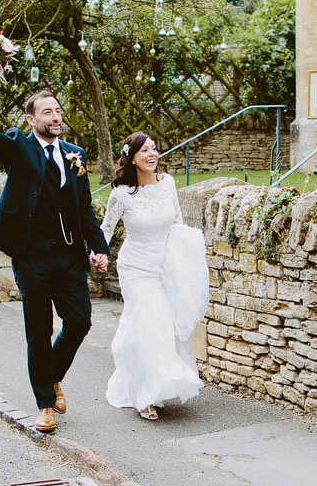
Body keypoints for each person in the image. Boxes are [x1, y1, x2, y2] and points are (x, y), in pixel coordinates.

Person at [0, 59, 109, 433]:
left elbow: (84, 209)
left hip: (68, 255)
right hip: (30, 256)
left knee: (80, 322)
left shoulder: (74, 153)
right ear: (31, 119)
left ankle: (50, 378)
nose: (55, 116)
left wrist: (99, 248)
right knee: (38, 330)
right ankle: (45, 405)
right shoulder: (19, 147)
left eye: (58, 110)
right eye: (47, 111)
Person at [100, 132, 204, 420]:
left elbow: (177, 223)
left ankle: (151, 383)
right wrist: (98, 254)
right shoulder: (121, 193)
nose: (152, 154)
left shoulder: (167, 183)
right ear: (132, 157)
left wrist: (187, 259)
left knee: (162, 326)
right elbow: (105, 230)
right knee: (146, 322)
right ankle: (143, 395)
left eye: (154, 149)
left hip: (164, 266)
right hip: (135, 267)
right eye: (145, 150)